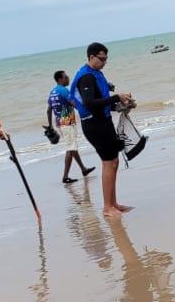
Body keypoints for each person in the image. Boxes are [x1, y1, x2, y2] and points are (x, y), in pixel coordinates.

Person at [72, 42, 136, 217]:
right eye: (101, 59)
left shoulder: (96, 74)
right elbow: (89, 103)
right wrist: (116, 97)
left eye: (106, 59)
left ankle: (113, 203)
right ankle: (107, 207)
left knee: (114, 162)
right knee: (109, 162)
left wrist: (120, 105)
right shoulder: (86, 77)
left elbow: (101, 102)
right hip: (94, 125)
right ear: (91, 57)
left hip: (103, 122)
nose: (104, 62)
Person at [48, 70, 95, 183]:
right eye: (65, 77)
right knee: (71, 149)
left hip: (60, 123)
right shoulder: (63, 90)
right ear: (60, 79)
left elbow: (49, 110)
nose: (68, 78)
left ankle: (83, 169)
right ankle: (65, 176)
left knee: (72, 147)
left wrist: (50, 126)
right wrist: (87, 112)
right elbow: (74, 103)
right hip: (67, 122)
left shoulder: (53, 92)